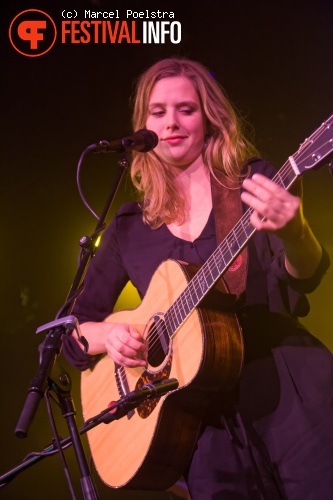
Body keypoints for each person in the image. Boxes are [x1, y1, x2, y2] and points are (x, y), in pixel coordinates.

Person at [63, 57, 333, 499]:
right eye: (158, 112)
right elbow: (72, 330)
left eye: (186, 109)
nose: (171, 122)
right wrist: (110, 335)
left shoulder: (252, 182)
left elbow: (304, 278)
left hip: (292, 394)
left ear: (210, 119)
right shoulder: (128, 228)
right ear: (142, 125)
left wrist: (295, 230)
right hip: (200, 429)